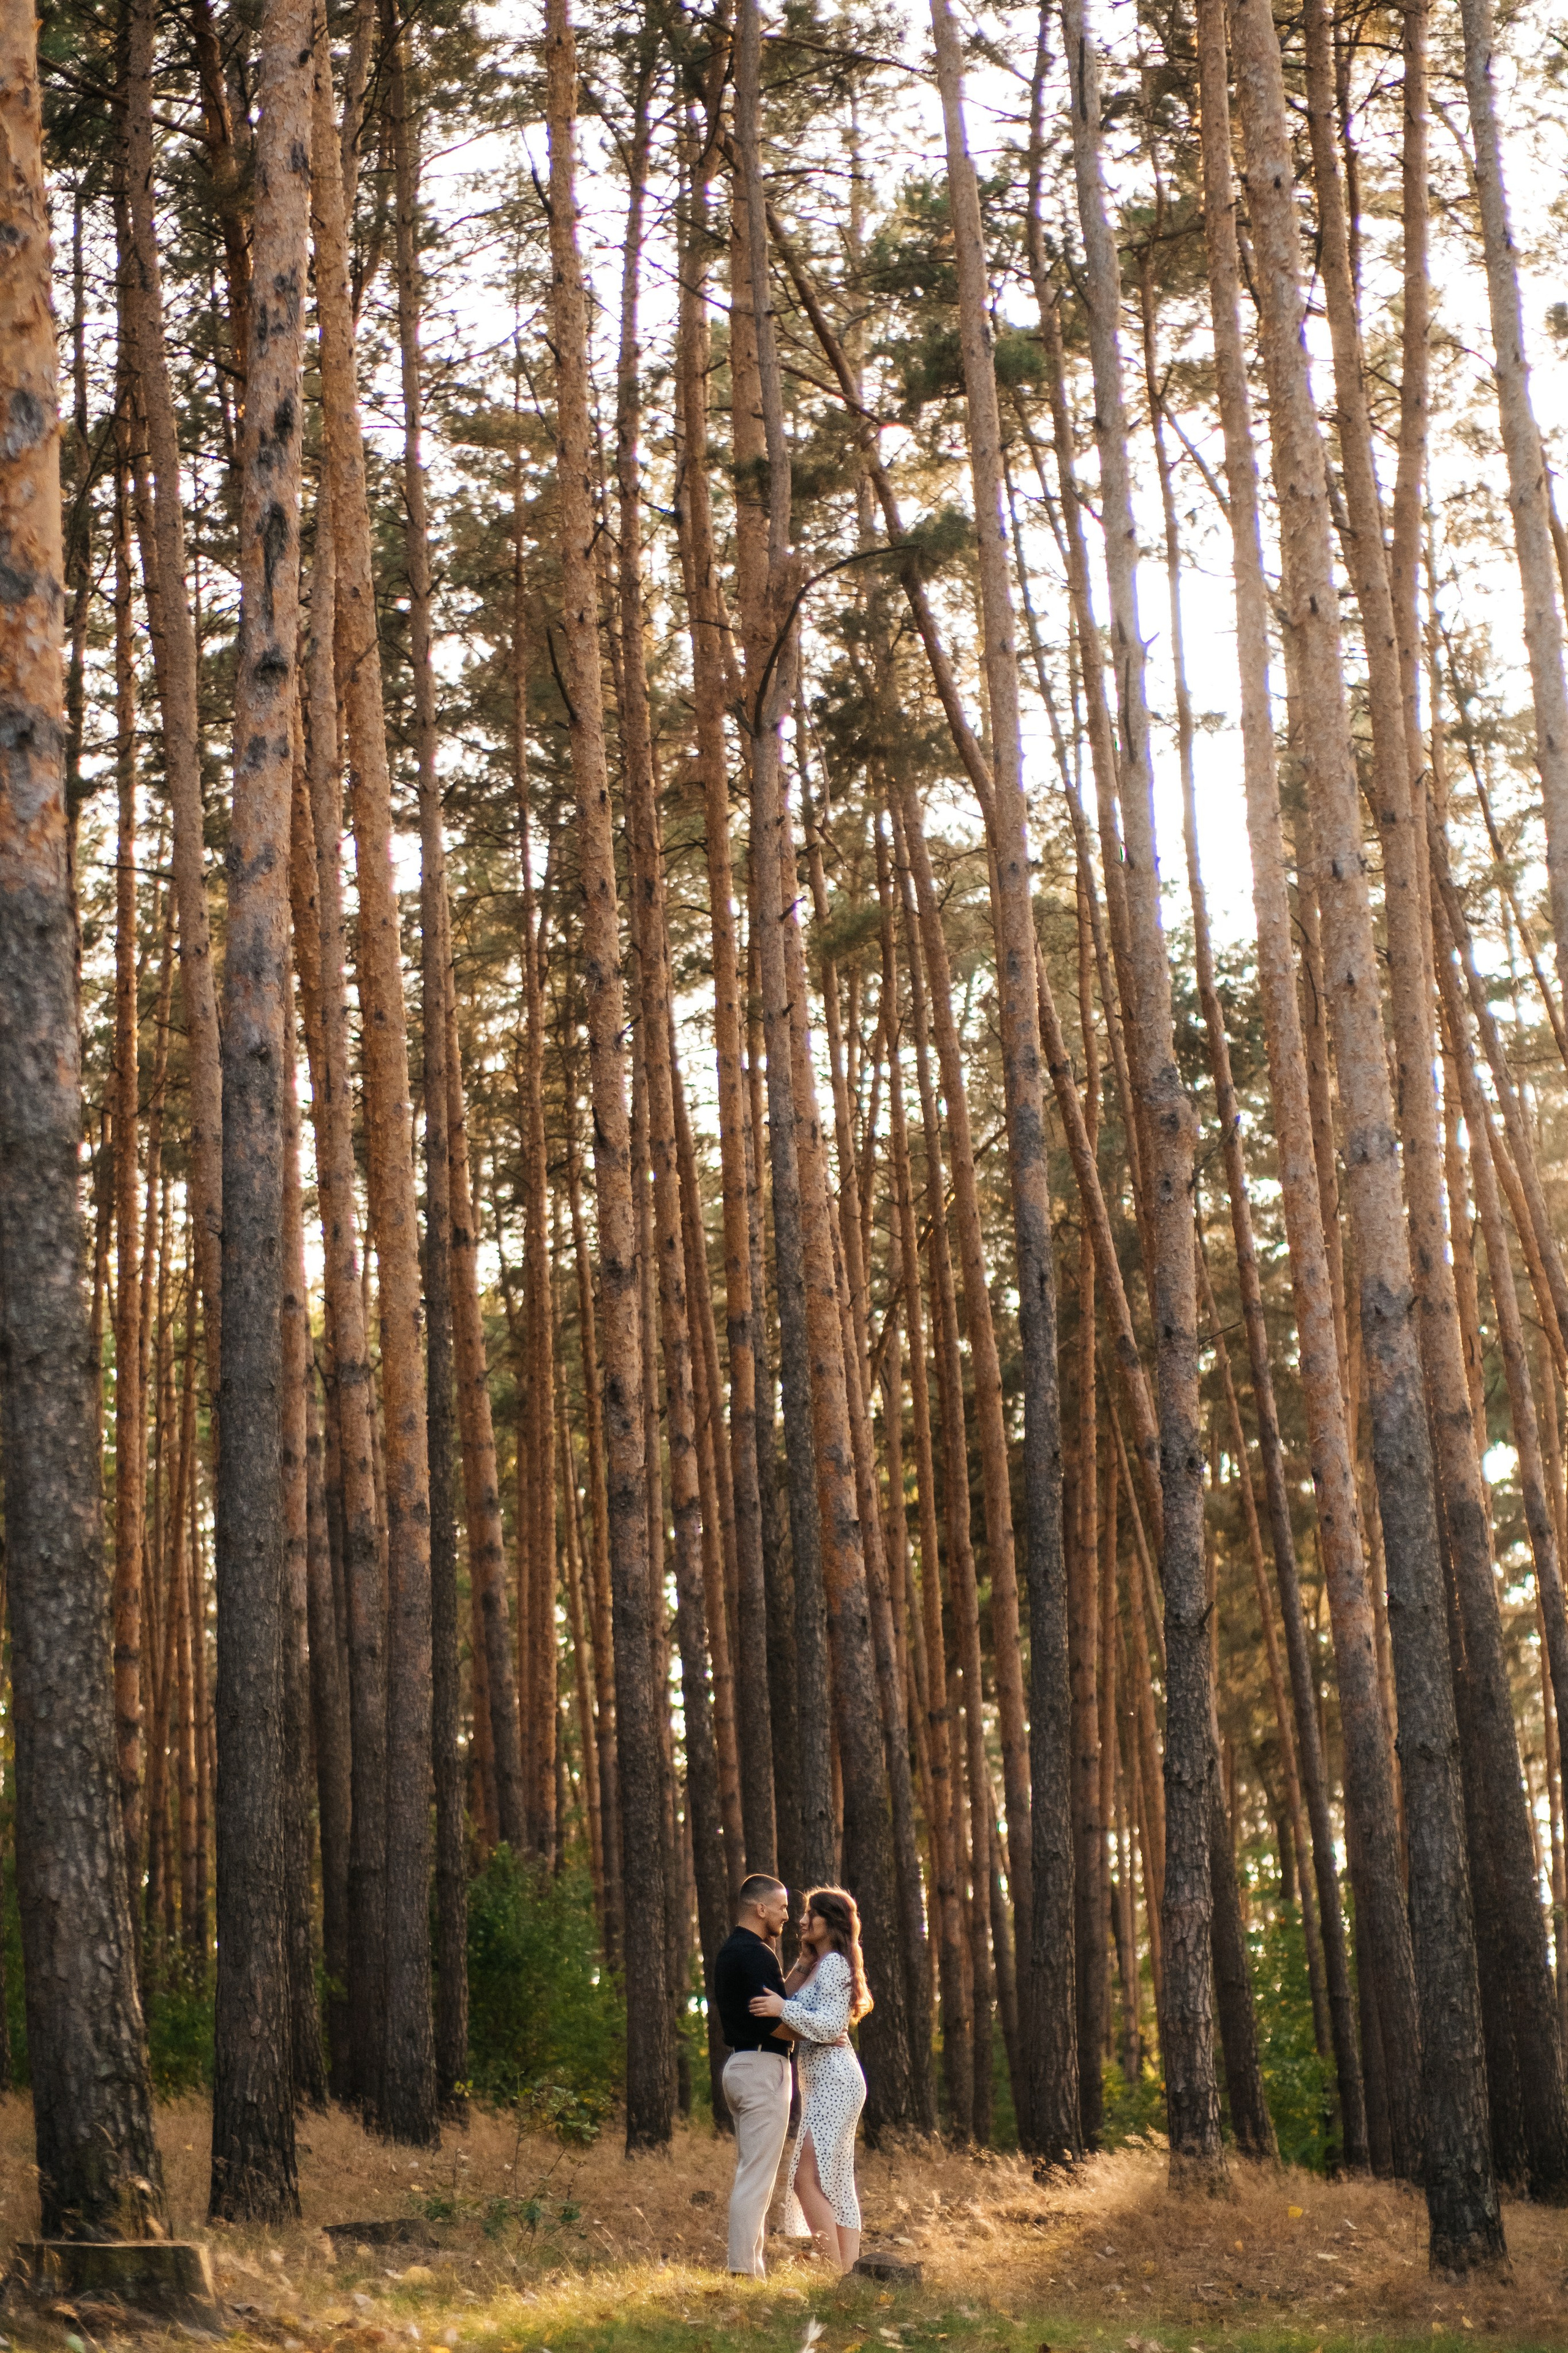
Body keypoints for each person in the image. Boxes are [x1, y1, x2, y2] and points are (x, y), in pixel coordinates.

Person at [748, 1885, 870, 2275]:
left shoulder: (835, 1964)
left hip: (835, 2077)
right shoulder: (821, 1964)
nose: (801, 1921)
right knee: (834, 2179)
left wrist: (784, 2008)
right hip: (826, 2080)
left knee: (806, 2179)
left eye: (810, 1914)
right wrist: (801, 1965)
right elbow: (784, 2001)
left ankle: (835, 2272)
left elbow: (829, 2024)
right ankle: (848, 2271)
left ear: (830, 1922)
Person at [712, 1874, 796, 2278]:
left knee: (752, 2172)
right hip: (764, 2067)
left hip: (739, 2066)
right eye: (781, 1906)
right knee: (755, 2178)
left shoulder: (729, 1951)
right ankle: (743, 2271)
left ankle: (752, 2268)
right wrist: (810, 2024)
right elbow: (776, 2023)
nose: (786, 1914)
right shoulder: (759, 1954)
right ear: (759, 1907)